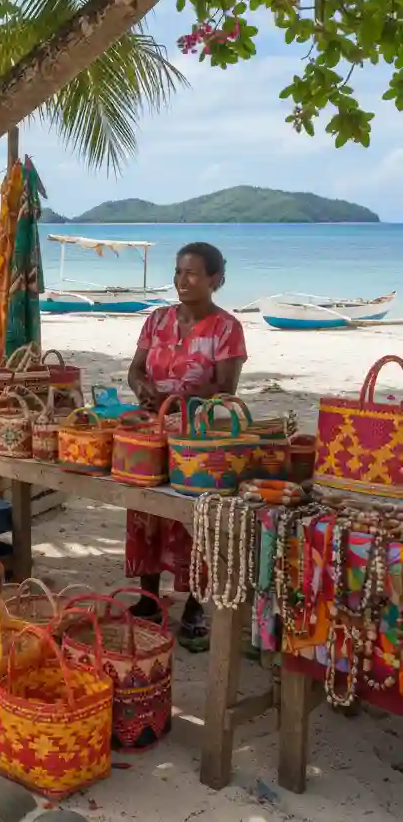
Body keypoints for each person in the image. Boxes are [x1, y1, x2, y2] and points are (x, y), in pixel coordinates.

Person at [125, 242, 247, 653]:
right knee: (144, 509)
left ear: (215, 279)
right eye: (178, 272)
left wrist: (177, 402)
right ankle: (150, 599)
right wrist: (143, 389)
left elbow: (225, 389)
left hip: (198, 439)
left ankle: (195, 606)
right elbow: (135, 369)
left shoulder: (226, 328)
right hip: (152, 430)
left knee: (196, 519)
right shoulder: (157, 320)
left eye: (193, 273)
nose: (182, 280)